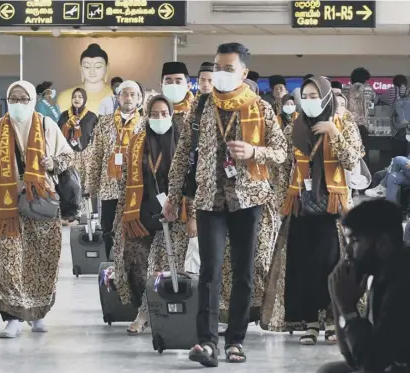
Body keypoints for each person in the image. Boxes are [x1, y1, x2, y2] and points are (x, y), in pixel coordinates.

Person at [163, 42, 286, 366]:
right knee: (209, 271)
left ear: (243, 73)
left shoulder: (261, 108)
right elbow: (182, 155)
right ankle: (206, 342)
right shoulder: (201, 106)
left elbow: (281, 152)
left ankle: (235, 341)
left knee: (244, 273)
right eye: (218, 68)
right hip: (209, 200)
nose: (221, 74)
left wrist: (254, 152)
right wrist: (173, 198)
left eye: (229, 69)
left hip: (249, 200)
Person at [0, 80, 73, 338]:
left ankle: (37, 314)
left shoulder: (47, 125)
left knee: (42, 259)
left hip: (42, 204)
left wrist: (51, 163)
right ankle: (13, 317)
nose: (18, 103)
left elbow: (68, 156)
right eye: (13, 99)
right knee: (8, 261)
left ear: (32, 100)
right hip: (6, 208)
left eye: (23, 98)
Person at [264, 76, 363, 342]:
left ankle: (332, 320)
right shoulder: (293, 127)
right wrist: (281, 200)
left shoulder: (344, 122)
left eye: (314, 96)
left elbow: (353, 160)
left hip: (334, 208)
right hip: (301, 206)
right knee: (304, 265)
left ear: (327, 97)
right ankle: (310, 322)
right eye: (304, 97)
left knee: (331, 264)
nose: (309, 102)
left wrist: (333, 132)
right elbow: (283, 166)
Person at [112, 94, 191, 335]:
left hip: (177, 214)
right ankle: (143, 311)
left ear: (172, 115)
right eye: (154, 114)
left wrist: (190, 211)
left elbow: (191, 179)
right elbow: (125, 179)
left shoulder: (181, 140)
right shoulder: (137, 141)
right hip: (142, 214)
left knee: (170, 267)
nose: (159, 118)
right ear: (147, 116)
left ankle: (165, 313)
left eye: (164, 114)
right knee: (136, 264)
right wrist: (122, 216)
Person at [318, 200, 410, 373]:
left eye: (355, 240)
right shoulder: (381, 274)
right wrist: (337, 298)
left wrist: (348, 308)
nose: (348, 251)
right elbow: (355, 359)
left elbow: (372, 363)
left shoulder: (403, 283)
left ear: (382, 243)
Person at [86, 80, 145, 260]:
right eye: (124, 94)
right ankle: (111, 267)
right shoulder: (104, 123)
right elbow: (96, 156)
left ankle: (132, 265)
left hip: (136, 186)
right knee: (109, 227)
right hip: (109, 185)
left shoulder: (145, 123)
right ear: (118, 98)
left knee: (134, 227)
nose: (128, 98)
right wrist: (91, 187)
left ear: (139, 99)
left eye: (133, 95)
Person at [57, 87, 99, 224]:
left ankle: (87, 215)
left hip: (86, 156)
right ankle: (69, 214)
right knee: (69, 185)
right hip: (68, 155)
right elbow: (57, 136)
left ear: (85, 99)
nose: (77, 99)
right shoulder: (64, 116)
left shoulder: (92, 117)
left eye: (80, 97)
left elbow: (96, 137)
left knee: (86, 187)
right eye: (74, 96)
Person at [57, 43, 114, 114]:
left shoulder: (116, 96)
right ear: (80, 68)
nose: (92, 71)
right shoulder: (66, 97)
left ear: (107, 67)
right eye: (87, 67)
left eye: (98, 66)